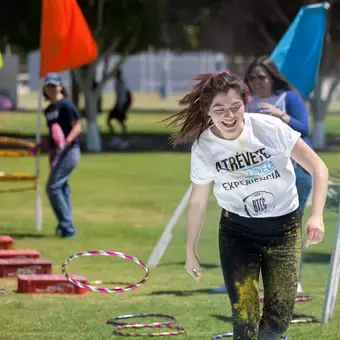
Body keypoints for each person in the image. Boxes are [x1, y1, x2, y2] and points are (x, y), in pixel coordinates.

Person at [164, 71, 328, 339]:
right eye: (219, 110)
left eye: (235, 107)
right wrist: (190, 249)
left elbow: (318, 168)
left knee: (277, 320)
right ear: (207, 111)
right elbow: (198, 200)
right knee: (245, 318)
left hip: (284, 231)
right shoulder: (205, 147)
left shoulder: (269, 128)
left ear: (245, 103)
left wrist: (316, 216)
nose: (229, 116)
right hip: (237, 232)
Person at [212, 56, 313, 294]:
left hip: (294, 173)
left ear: (272, 77)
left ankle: (290, 281)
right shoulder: (247, 103)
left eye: (261, 77)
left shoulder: (289, 98)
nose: (257, 82)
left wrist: (280, 115)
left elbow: (304, 128)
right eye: (252, 77)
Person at [31, 73, 82, 238]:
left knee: (52, 187)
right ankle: (64, 225)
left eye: (54, 86)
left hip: (69, 152)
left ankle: (68, 228)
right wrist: (42, 144)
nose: (51, 89)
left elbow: (77, 127)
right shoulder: (48, 110)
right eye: (48, 86)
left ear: (60, 86)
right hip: (56, 153)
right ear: (45, 89)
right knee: (62, 188)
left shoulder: (66, 105)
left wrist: (66, 141)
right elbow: (53, 134)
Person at [107, 69, 132, 149]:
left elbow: (121, 96)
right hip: (120, 103)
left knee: (113, 120)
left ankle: (121, 136)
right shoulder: (119, 81)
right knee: (116, 121)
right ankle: (120, 135)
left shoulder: (120, 83)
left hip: (120, 104)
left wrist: (120, 107)